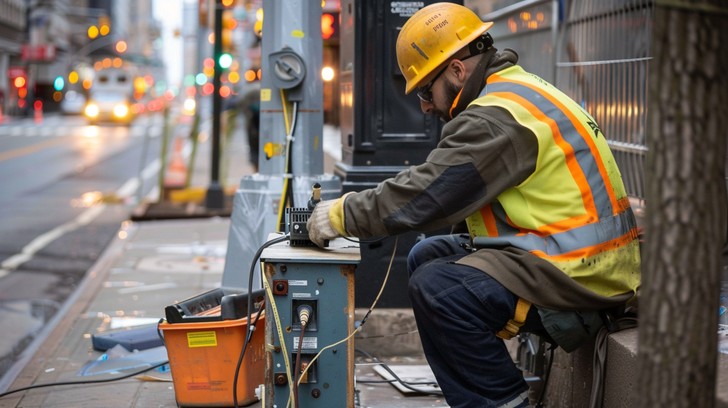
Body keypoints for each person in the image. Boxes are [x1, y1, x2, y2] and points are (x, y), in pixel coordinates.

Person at [307, 3, 641, 407]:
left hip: (579, 276)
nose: (425, 106)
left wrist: (341, 215)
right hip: (576, 259)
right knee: (428, 255)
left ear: (457, 71)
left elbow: (427, 195)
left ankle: (502, 402)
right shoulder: (518, 90)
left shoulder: (494, 119)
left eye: (426, 90)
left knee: (438, 289)